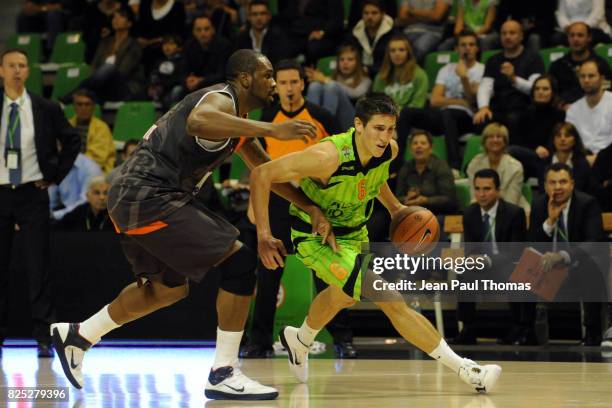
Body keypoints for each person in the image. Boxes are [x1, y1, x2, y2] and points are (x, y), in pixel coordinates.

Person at [50, 49, 331, 400]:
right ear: (245, 78)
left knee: (168, 289)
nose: (273, 82)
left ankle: (79, 335)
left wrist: (310, 206)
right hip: (148, 194)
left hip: (136, 198)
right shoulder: (219, 98)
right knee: (240, 261)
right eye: (267, 74)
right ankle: (223, 371)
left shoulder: (237, 121)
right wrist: (273, 127)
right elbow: (199, 121)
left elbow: (266, 172)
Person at [250, 93, 502, 393]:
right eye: (378, 129)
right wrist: (264, 234)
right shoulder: (326, 157)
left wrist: (396, 209)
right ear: (358, 125)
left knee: (344, 295)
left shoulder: (389, 151)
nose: (386, 137)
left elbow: (374, 178)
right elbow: (262, 174)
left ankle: (300, 339)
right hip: (316, 237)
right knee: (390, 297)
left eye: (391, 129)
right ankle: (466, 369)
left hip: (356, 233)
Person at [241, 59, 356, 360]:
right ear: (275, 86)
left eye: (294, 82)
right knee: (269, 274)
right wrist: (257, 206)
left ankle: (342, 338)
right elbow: (255, 167)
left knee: (328, 273)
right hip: (278, 201)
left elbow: (342, 161)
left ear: (302, 84)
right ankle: (260, 342)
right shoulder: (266, 119)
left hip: (314, 201)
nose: (289, 88)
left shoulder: (322, 117)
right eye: (283, 83)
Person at [0, 49, 80, 357]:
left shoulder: (44, 107)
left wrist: (55, 175)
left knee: (38, 266)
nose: (17, 71)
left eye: (22, 65)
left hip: (33, 193)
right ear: (2, 71)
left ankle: (44, 336)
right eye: (11, 66)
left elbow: (72, 139)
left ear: (28, 71)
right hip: (1, 192)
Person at [529, 163, 607, 346]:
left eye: (563, 182)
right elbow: (532, 243)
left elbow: (595, 241)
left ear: (572, 184)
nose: (557, 187)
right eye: (552, 182)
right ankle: (527, 331)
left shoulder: (587, 203)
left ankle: (592, 332)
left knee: (592, 265)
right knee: (522, 263)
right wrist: (550, 222)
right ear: (546, 185)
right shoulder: (540, 205)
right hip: (548, 268)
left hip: (578, 264)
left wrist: (563, 255)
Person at [451, 169, 531, 345]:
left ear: (498, 190)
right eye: (478, 189)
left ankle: (519, 327)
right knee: (464, 273)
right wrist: (472, 259)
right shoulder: (470, 213)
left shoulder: (514, 213)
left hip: (506, 264)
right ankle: (468, 328)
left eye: (487, 189)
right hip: (482, 268)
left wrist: (487, 260)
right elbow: (471, 247)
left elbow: (516, 252)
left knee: (514, 272)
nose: (481, 194)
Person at [398, 29, 484, 170]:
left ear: (477, 48)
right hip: (443, 116)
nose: (467, 48)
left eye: (471, 44)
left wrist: (464, 78)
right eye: (463, 45)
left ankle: (454, 166)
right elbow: (435, 100)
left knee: (448, 114)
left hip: (467, 119)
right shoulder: (446, 69)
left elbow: (474, 101)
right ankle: (396, 162)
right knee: (407, 112)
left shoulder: (482, 70)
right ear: (456, 48)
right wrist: (461, 102)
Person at [473, 20, 545, 146]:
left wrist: (513, 79)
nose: (507, 37)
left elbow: (535, 89)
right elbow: (485, 86)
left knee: (513, 119)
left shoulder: (533, 58)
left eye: (512, 33)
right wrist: (483, 107)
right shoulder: (493, 60)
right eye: (504, 33)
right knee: (482, 118)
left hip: (523, 107)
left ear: (521, 36)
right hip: (499, 107)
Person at [79, 7, 144, 102]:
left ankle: (76, 92)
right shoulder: (105, 42)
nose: (116, 19)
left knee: (109, 68)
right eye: (114, 17)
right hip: (103, 86)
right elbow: (94, 66)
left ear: (129, 23)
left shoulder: (134, 45)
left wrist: (106, 73)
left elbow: (123, 71)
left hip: (123, 86)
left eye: (121, 17)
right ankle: (84, 92)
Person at [506, 75, 566, 180]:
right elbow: (516, 139)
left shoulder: (560, 116)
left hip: (548, 158)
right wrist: (535, 148)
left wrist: (546, 149)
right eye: (537, 89)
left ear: (553, 92)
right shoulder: (523, 113)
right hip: (526, 155)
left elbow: (559, 140)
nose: (540, 92)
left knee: (511, 152)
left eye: (545, 89)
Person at [305, 43, 372, 130]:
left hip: (355, 124)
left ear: (357, 62)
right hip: (335, 123)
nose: (345, 62)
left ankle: (323, 128)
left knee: (332, 86)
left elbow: (355, 94)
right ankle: (309, 126)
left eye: (350, 59)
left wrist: (326, 80)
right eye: (342, 59)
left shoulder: (366, 80)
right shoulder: (332, 79)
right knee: (315, 85)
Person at [466, 123, 529, 211]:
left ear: (505, 141)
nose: (495, 140)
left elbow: (511, 201)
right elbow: (475, 196)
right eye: (490, 137)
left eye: (499, 137)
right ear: (484, 141)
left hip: (512, 211)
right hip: (482, 209)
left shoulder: (515, 167)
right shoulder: (475, 163)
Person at [548, 22, 612, 107]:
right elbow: (551, 92)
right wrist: (561, 105)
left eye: (580, 35)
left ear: (589, 38)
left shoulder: (600, 64)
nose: (575, 39)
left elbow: (607, 91)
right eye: (572, 35)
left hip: (595, 110)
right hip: (564, 112)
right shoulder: (557, 66)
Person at [395, 130, 457, 215]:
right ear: (410, 149)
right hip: (413, 213)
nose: (418, 146)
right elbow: (397, 197)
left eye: (423, 143)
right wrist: (406, 199)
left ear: (431, 148)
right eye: (415, 143)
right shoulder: (405, 168)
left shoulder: (441, 167)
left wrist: (426, 200)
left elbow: (450, 200)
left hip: (439, 213)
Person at [566, 60, 612, 163]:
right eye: (582, 76)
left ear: (602, 78)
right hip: (582, 160)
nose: (586, 80)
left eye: (591, 76)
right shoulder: (573, 110)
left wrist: (599, 158)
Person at [372, 34, 428, 110]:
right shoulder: (381, 76)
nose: (397, 54)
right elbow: (377, 102)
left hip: (410, 117)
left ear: (408, 53)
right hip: (386, 117)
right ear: (388, 54)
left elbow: (418, 104)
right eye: (392, 50)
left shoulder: (420, 75)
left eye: (401, 50)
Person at [182, 15, 234, 94]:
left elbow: (222, 75)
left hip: (219, 87)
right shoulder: (189, 46)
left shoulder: (224, 46)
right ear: (193, 32)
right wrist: (188, 79)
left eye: (206, 29)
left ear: (213, 30)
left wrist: (200, 80)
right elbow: (183, 71)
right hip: (195, 87)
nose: (203, 33)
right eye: (199, 30)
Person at [68, 89, 115, 175]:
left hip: (95, 172)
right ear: (74, 106)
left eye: (87, 104)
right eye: (79, 104)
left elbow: (98, 158)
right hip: (70, 170)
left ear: (93, 106)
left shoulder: (101, 128)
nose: (83, 108)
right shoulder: (67, 126)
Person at [48, 153, 103, 220]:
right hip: (64, 213)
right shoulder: (56, 164)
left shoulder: (91, 169)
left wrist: (55, 215)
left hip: (86, 217)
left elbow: (86, 203)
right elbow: (51, 199)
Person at [235, 0, 288, 66]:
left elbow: (280, 63)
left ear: (269, 16)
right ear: (248, 17)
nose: (259, 18)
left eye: (263, 13)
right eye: (254, 14)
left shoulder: (278, 37)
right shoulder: (241, 38)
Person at [350, 0, 395, 78]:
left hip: (385, 76)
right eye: (366, 13)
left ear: (383, 14)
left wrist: (369, 70)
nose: (369, 17)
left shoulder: (393, 35)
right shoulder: (355, 33)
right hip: (359, 76)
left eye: (374, 13)